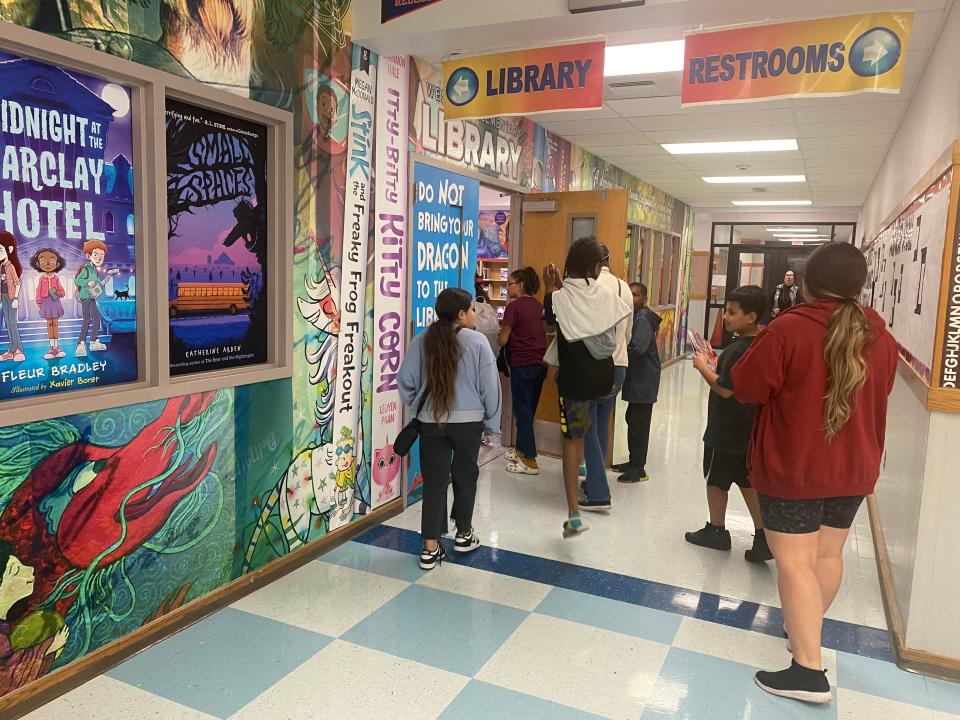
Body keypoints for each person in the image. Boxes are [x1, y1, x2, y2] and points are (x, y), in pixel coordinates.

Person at [731, 243, 897, 703]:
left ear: (807, 282)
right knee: (826, 556)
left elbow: (745, 387)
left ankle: (807, 670)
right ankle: (804, 636)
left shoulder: (788, 330)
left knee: (795, 561)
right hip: (853, 467)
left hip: (795, 465)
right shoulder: (880, 336)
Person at [398, 288, 502, 570]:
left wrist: (421, 405)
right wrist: (493, 425)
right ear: (460, 314)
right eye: (471, 310)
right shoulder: (478, 343)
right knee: (466, 476)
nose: (474, 316)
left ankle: (430, 548)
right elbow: (490, 388)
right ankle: (464, 535)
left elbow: (405, 382)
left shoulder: (421, 341)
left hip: (432, 424)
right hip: (469, 424)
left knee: (434, 482)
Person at [543, 237, 632, 538]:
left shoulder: (558, 298)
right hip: (604, 381)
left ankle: (574, 514)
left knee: (574, 440)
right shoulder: (608, 295)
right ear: (596, 266)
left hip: (575, 386)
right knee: (597, 430)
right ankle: (593, 480)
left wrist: (552, 287)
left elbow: (551, 325)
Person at [686, 286, 772, 563]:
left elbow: (725, 389)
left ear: (751, 317)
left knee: (716, 480)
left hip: (725, 429)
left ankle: (717, 530)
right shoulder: (762, 344)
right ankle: (763, 537)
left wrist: (702, 366)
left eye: (733, 313)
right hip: (748, 428)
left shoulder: (735, 350)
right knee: (747, 481)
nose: (726, 317)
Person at [578, 246, 633, 511]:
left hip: (593, 367)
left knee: (587, 429)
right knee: (600, 426)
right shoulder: (624, 287)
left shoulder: (589, 287)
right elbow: (628, 332)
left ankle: (599, 493)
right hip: (619, 365)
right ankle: (592, 480)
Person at [499, 267, 547, 475]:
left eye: (510, 283)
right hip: (540, 364)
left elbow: (503, 339)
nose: (507, 287)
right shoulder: (540, 306)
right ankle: (520, 450)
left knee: (522, 411)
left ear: (521, 285)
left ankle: (530, 461)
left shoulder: (514, 307)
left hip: (522, 364)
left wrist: (499, 337)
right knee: (528, 410)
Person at [616, 283, 661, 484]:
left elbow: (637, 348)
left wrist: (616, 353)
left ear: (644, 299)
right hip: (639, 380)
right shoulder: (638, 316)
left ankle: (638, 469)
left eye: (636, 295)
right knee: (633, 419)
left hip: (644, 380)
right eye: (630, 294)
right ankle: (633, 461)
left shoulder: (642, 318)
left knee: (639, 425)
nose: (632, 298)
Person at [31, 249, 68, 360]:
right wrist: (39, 302)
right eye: (43, 261)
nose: (47, 264)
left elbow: (62, 292)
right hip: (46, 302)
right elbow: (38, 291)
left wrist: (58, 292)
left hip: (55, 302)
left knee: (55, 323)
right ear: (38, 264)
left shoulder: (56, 278)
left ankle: (57, 346)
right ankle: (51, 346)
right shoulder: (41, 279)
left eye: (51, 262)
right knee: (49, 324)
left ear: (57, 264)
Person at [74, 239, 109, 357]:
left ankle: (93, 342)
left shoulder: (94, 270)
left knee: (97, 319)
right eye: (96, 254)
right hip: (85, 298)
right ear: (88, 255)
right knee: (86, 320)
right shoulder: (86, 268)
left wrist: (108, 278)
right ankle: (81, 344)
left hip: (92, 297)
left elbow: (99, 284)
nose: (99, 258)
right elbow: (77, 280)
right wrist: (88, 283)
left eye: (102, 256)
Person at [0, 232, 24, 363]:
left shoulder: (10, 266)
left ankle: (19, 350)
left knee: (13, 323)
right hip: (3, 297)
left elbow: (17, 283)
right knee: (8, 324)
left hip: (11, 297)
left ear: (9, 249)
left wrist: (15, 298)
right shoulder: (1, 266)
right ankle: (11, 350)